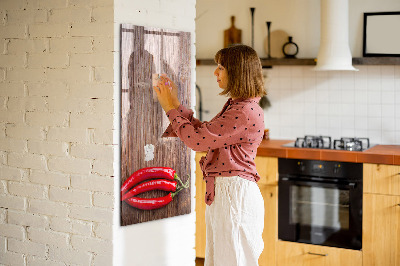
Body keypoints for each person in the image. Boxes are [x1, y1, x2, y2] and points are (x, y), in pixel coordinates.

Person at [153, 44, 266, 266]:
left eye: (221, 67)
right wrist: (175, 104)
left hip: (234, 196)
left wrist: (169, 108)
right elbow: (205, 134)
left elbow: (197, 141)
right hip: (228, 194)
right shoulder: (239, 106)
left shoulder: (243, 111)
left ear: (237, 71)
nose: (215, 72)